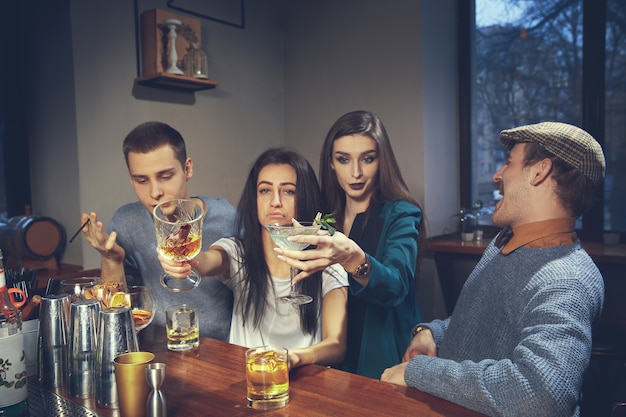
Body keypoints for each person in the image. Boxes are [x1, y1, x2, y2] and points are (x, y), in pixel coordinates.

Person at [381, 122, 606, 417]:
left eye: (509, 162)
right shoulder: (506, 241)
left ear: (540, 171)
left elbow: (539, 396)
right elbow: (481, 324)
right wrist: (431, 333)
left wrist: (420, 372)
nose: (497, 175)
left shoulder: (566, 280)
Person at [158, 147, 349, 368]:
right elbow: (206, 261)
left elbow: (336, 345)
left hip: (308, 387)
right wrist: (184, 258)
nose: (275, 201)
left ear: (304, 197)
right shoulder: (238, 254)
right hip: (246, 380)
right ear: (255, 199)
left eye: (288, 191)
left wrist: (294, 358)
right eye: (265, 191)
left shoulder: (328, 265)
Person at [273, 110, 424, 378]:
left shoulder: (402, 213)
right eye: (344, 159)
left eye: (367, 159)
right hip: (327, 354)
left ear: (382, 160)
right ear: (331, 163)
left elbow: (396, 287)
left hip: (382, 356)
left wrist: (356, 260)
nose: (356, 172)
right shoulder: (321, 215)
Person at [80, 121, 237, 340]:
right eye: (141, 180)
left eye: (165, 176)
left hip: (222, 348)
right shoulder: (127, 221)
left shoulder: (227, 216)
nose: (155, 192)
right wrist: (111, 259)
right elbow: (116, 312)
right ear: (130, 178)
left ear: (188, 169)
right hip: (160, 349)